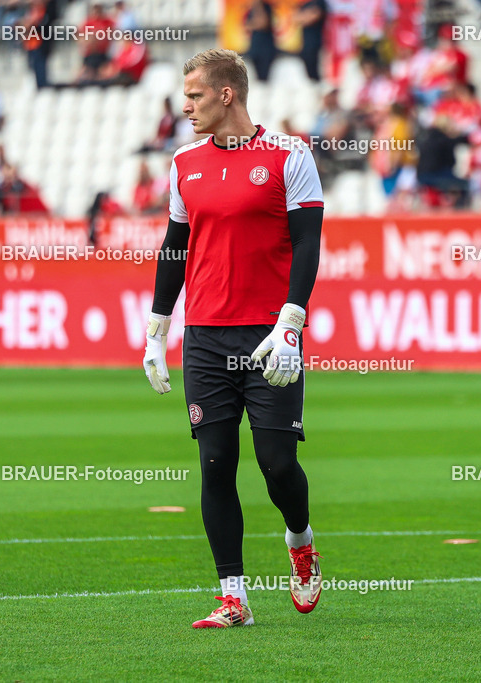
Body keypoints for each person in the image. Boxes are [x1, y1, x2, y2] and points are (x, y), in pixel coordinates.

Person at [144, 49, 324, 629]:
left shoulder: (289, 156)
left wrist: (291, 324)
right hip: (206, 339)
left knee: (276, 464)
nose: (186, 106)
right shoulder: (184, 163)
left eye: (195, 95)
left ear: (227, 94)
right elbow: (175, 248)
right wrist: (157, 328)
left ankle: (300, 539)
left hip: (271, 335)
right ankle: (234, 597)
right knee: (215, 464)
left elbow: (308, 245)